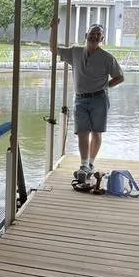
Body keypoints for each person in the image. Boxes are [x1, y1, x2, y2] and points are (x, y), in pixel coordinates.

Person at [50, 23, 124, 182]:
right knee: (83, 131)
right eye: (92, 33)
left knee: (96, 132)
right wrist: (53, 29)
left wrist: (106, 86)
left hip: (99, 99)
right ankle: (84, 164)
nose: (95, 36)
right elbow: (53, 49)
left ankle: (90, 163)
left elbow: (120, 77)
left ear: (102, 38)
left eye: (98, 35)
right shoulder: (75, 52)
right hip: (80, 99)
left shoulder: (107, 57)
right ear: (86, 35)